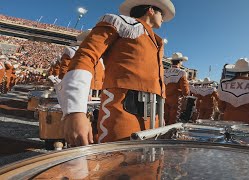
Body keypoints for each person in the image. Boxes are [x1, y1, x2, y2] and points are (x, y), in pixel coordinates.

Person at [59, 0, 175, 146]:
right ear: (151, 10)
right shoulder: (120, 23)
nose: (163, 18)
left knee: (149, 164)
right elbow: (86, 57)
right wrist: (75, 111)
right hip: (124, 109)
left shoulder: (155, 40)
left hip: (154, 112)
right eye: (161, 13)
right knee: (117, 163)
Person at [217, 58, 249, 125]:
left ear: (235, 71)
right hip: (248, 123)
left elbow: (221, 108)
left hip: (228, 121)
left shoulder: (223, 85)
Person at [164, 52, 190, 125]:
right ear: (180, 62)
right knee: (173, 118)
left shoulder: (164, 71)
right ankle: (169, 134)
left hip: (164, 97)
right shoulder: (181, 72)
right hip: (175, 98)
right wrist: (185, 95)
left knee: (165, 116)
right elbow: (185, 89)